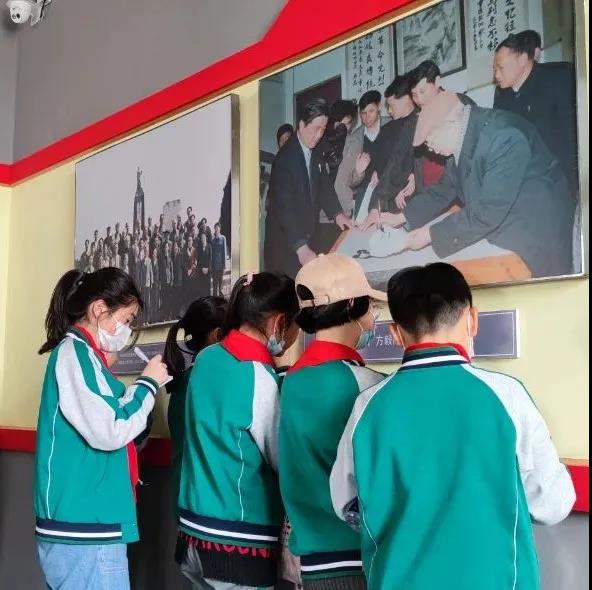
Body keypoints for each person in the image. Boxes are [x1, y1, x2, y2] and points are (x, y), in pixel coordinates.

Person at [330, 262, 575, 589]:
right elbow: (553, 504)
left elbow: (346, 503)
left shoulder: (368, 405)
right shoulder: (507, 396)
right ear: (472, 319)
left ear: (396, 333)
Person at [34, 268, 169, 590]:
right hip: (85, 528)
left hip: (85, 524)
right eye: (127, 319)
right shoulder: (75, 353)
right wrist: (148, 384)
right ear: (99, 309)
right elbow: (110, 430)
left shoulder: (85, 357)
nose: (127, 329)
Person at [177, 272, 300, 589]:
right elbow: (282, 459)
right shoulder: (257, 377)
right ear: (279, 322)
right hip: (236, 542)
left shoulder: (207, 358)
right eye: (295, 325)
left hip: (193, 532)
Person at [381, 90, 575, 278]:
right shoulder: (462, 134)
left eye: (430, 139)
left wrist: (427, 235)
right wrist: (401, 217)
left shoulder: (503, 137)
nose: (429, 148)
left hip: (536, 227)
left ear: (450, 124)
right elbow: (443, 189)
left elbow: (488, 210)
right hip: (505, 217)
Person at [279, 254, 386, 588]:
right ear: (353, 304)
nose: (372, 315)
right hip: (357, 558)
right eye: (370, 305)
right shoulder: (368, 384)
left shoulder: (290, 381)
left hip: (312, 561)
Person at [265, 99, 353, 278]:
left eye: (323, 129)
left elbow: (323, 185)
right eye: (316, 129)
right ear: (301, 125)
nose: (319, 135)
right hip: (284, 243)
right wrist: (301, 247)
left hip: (306, 235)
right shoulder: (284, 159)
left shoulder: (316, 148)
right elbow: (285, 208)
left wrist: (338, 214)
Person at [164, 296, 227, 516]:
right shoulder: (207, 381)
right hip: (205, 502)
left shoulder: (189, 378)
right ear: (217, 335)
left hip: (189, 497)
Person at [493, 32, 578, 194]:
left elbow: (574, 136)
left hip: (566, 180)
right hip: (531, 185)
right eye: (494, 69)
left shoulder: (559, 76)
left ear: (523, 59)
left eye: (501, 68)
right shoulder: (502, 95)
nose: (496, 75)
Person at [334, 90, 390, 218]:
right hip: (364, 195)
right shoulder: (355, 138)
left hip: (389, 190)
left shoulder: (391, 125)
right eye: (363, 113)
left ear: (379, 107)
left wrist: (382, 173)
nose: (367, 117)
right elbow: (349, 180)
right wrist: (359, 172)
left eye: (371, 111)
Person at [211, 223, 227, 297]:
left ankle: (221, 299)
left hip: (221, 265)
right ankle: (214, 299)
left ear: (220, 229)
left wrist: (224, 266)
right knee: (214, 285)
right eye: (215, 228)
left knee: (220, 285)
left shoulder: (223, 238)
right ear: (214, 229)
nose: (216, 229)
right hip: (214, 266)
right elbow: (212, 254)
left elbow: (224, 252)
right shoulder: (213, 240)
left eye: (218, 228)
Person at [196, 232, 212, 297]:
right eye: (202, 238)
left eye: (204, 237)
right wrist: (202, 268)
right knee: (202, 288)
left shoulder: (209, 246)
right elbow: (198, 259)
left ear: (206, 238)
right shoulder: (199, 248)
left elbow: (210, 259)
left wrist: (208, 269)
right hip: (201, 271)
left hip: (208, 271)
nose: (203, 239)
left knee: (208, 288)